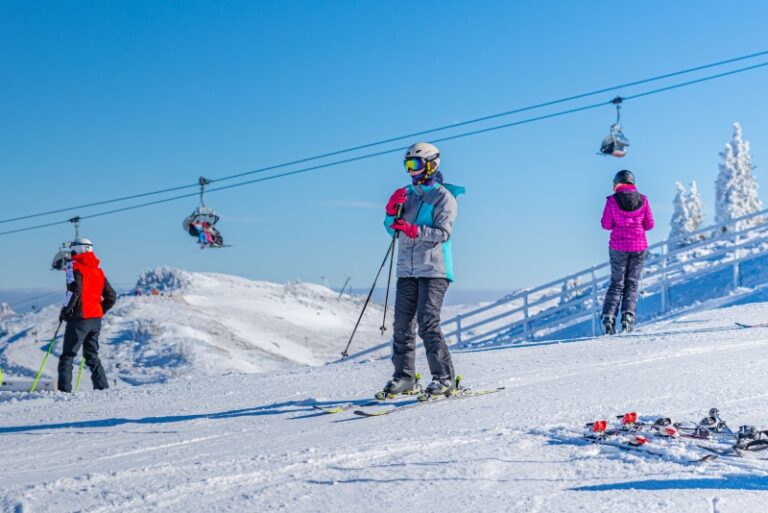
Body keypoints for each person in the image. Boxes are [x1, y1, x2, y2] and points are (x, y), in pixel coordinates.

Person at [379, 142, 465, 397]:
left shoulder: (443, 197)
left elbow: (442, 233)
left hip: (434, 269)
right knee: (402, 325)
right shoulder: (407, 193)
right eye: (407, 165)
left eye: (414, 165)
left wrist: (413, 230)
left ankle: (444, 377)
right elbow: (391, 228)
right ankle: (404, 377)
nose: (410, 171)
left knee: (428, 323)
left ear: (431, 164)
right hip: (407, 269)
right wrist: (390, 213)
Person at [57, 238, 117, 392]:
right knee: (92, 356)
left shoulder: (74, 266)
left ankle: (64, 393)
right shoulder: (98, 270)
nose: (71, 252)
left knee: (68, 356)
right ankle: (103, 389)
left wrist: (66, 311)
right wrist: (99, 310)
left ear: (79, 249)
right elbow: (111, 295)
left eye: (73, 249)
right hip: (95, 318)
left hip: (80, 318)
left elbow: (74, 291)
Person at [600, 170, 655, 334]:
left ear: (616, 183)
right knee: (632, 283)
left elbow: (606, 225)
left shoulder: (611, 201)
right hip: (638, 247)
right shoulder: (643, 200)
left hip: (618, 247)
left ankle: (609, 318)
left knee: (616, 284)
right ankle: (627, 318)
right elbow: (650, 224)